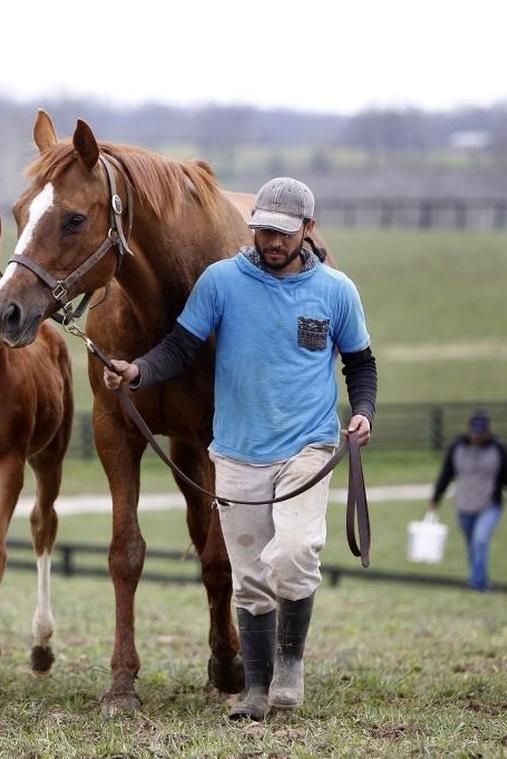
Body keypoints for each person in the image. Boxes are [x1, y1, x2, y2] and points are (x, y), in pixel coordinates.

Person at [103, 177, 377, 722]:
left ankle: (290, 665)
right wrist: (137, 371)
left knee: (296, 553)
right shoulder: (222, 282)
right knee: (249, 576)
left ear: (308, 230)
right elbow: (180, 348)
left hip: (309, 446)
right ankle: (255, 688)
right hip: (236, 450)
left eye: (282, 233)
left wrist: (364, 410)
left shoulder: (337, 290)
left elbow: (361, 362)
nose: (271, 242)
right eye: (263, 231)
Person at [427, 409, 507, 592]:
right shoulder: (457, 447)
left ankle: (477, 584)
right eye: (474, 432)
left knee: (480, 541)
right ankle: (479, 578)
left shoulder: (499, 450)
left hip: (489, 505)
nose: (477, 437)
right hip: (464, 505)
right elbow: (446, 475)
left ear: (488, 431)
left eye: (481, 432)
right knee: (472, 544)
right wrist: (435, 499)